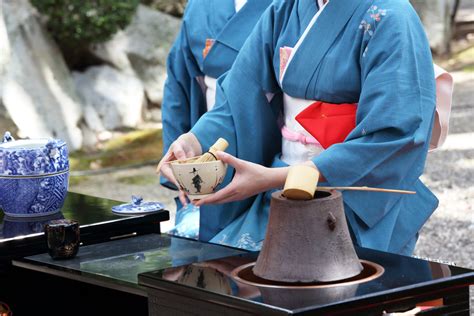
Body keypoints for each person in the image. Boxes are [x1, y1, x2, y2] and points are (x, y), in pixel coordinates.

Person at [160, 0, 446, 255]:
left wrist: (282, 177)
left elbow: (397, 130)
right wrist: (194, 141)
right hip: (279, 183)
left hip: (345, 190)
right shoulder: (285, 9)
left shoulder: (391, 15)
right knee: (233, 278)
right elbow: (239, 99)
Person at [161, 0, 273, 239]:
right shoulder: (200, 5)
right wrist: (178, 165)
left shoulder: (287, 7)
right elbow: (178, 86)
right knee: (205, 249)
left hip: (264, 133)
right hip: (209, 130)